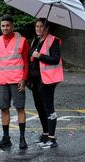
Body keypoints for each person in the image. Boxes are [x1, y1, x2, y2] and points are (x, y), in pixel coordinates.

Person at [0, 15, 29, 149]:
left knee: (20, 108)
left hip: (18, 80)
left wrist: (24, 79)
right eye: (3, 26)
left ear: (12, 26)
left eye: (7, 25)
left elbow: (26, 62)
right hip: (3, 81)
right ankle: (6, 138)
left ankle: (22, 138)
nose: (5, 28)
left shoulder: (22, 41)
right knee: (4, 108)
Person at [28, 18, 64, 148]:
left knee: (49, 108)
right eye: (37, 26)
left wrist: (41, 56)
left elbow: (55, 59)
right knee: (40, 108)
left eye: (41, 26)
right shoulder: (35, 40)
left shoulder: (53, 40)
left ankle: (52, 138)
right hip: (36, 81)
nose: (38, 29)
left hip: (47, 81)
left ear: (47, 28)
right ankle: (45, 134)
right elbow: (31, 58)